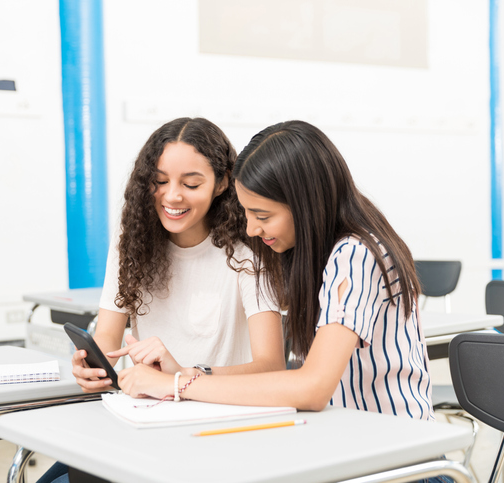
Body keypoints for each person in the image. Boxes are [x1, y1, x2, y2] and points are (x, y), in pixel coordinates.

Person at [118, 120, 434, 422]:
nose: (252, 229)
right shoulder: (311, 254)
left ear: (305, 205)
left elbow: (312, 388)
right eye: (247, 213)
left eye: (263, 216)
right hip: (343, 443)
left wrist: (176, 387)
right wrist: (186, 374)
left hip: (400, 461)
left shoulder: (355, 254)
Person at [38, 117, 285, 483]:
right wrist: (89, 368)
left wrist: (182, 375)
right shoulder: (133, 244)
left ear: (221, 184)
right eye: (160, 181)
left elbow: (272, 367)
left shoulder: (248, 253)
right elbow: (105, 342)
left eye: (191, 183)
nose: (172, 196)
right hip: (140, 419)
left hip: (213, 427)